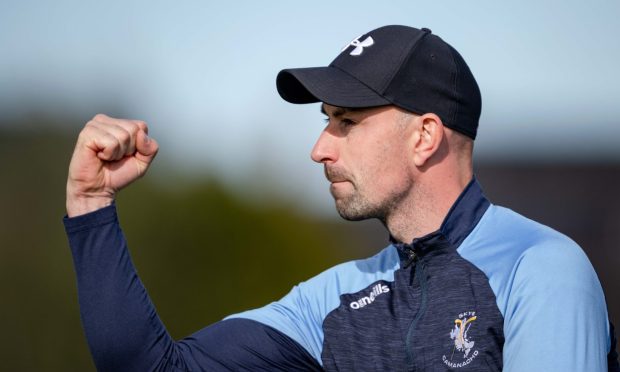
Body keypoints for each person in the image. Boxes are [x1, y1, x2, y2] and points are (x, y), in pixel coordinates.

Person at [64, 25, 618, 371]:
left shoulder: (540, 268)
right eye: (326, 120)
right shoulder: (331, 299)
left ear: (424, 136)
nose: (319, 148)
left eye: (347, 121)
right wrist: (91, 204)